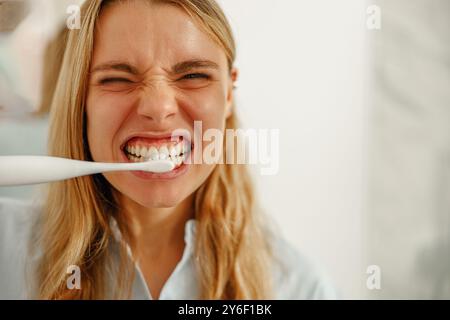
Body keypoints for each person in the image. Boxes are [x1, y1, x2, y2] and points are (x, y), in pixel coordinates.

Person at [0, 0, 337, 300]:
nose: (158, 107)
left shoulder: (300, 287)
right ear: (80, 101)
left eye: (193, 75)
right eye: (117, 79)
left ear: (229, 94)